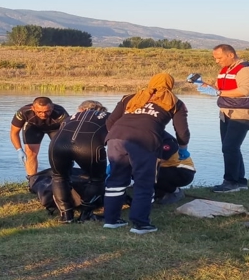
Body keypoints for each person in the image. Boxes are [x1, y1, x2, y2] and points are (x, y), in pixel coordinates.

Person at [103, 73, 190, 234]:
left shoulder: (130, 98)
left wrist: (119, 136)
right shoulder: (175, 102)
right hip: (144, 140)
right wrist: (183, 148)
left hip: (115, 137)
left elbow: (110, 121)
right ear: (170, 85)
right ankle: (140, 224)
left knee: (116, 180)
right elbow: (182, 132)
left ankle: (111, 220)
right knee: (144, 182)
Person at [192, 44, 249, 193]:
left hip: (242, 113)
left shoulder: (246, 70)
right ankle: (240, 182)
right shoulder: (225, 70)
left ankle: (230, 182)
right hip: (226, 113)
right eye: (215, 58)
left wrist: (219, 93)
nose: (217, 61)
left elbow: (245, 90)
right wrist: (206, 86)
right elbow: (220, 90)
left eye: (219, 58)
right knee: (232, 147)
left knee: (229, 147)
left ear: (230, 55)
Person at [48, 100, 109, 223]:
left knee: (59, 177)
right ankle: (85, 215)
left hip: (57, 144)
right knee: (97, 179)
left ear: (80, 109)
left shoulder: (70, 117)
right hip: (89, 146)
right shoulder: (108, 116)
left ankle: (66, 216)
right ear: (101, 109)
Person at [10, 97, 69, 177]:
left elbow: (69, 131)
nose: (43, 114)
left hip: (55, 128)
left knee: (60, 151)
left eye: (47, 111)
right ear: (33, 108)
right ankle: (32, 179)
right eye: (39, 112)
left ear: (52, 108)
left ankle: (62, 177)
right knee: (30, 152)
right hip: (33, 127)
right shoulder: (23, 112)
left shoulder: (60, 112)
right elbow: (14, 132)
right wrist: (19, 149)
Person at [154, 131, 195, 205]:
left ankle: (176, 192)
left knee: (149, 172)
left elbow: (155, 163)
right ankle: (160, 192)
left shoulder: (167, 141)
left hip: (184, 171)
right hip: (168, 168)